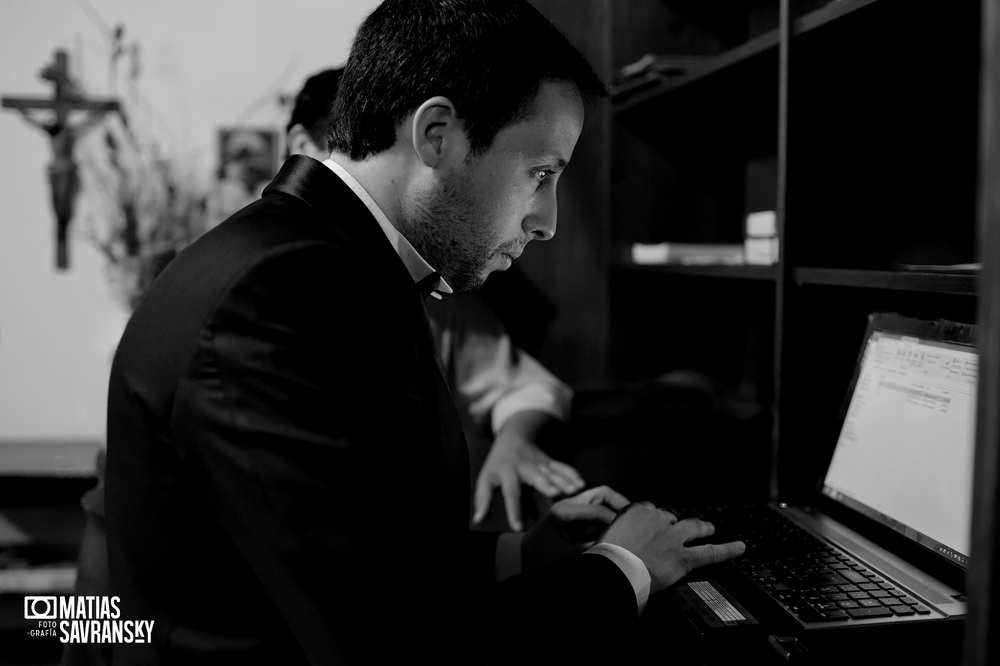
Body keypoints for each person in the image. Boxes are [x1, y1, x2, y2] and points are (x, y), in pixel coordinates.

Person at [104, 2, 745, 664]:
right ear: (437, 134)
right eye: (540, 174)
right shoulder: (283, 293)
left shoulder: (334, 266)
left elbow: (361, 557)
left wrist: (516, 552)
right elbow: (396, 645)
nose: (547, 221)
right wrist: (621, 568)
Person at [286, 67, 584, 532]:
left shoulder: (431, 287)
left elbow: (518, 384)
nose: (547, 224)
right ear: (303, 145)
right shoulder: (267, 288)